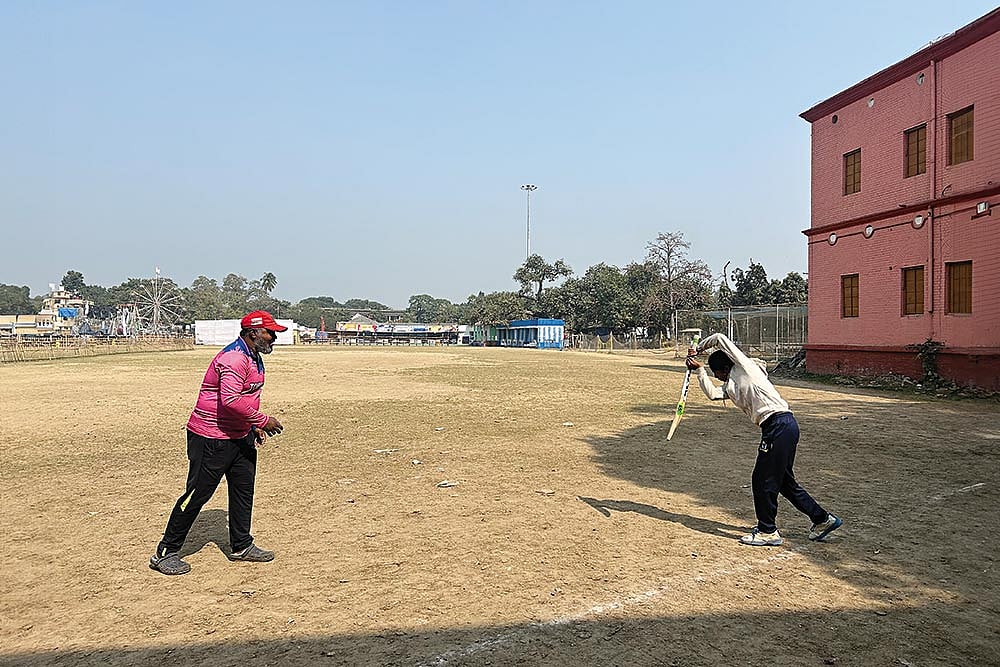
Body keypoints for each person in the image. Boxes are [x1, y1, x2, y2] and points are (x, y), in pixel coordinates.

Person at [150, 310, 287, 575]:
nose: (274, 338)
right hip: (211, 437)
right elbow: (231, 400)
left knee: (243, 491)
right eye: (270, 332)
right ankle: (165, 552)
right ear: (253, 333)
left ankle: (241, 545)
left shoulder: (254, 356)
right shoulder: (235, 358)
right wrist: (263, 419)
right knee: (197, 494)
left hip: (239, 436)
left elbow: (245, 399)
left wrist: (253, 425)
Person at [685, 333, 841, 547]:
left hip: (780, 424)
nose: (717, 377)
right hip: (778, 428)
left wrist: (699, 349)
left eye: (715, 373)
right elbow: (712, 394)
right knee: (784, 483)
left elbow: (720, 338)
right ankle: (822, 519)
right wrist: (700, 371)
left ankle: (768, 531)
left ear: (722, 368)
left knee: (762, 480)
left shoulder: (745, 368)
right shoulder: (731, 386)